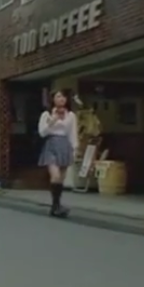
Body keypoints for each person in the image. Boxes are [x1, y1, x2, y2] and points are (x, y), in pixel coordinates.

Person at [38, 90, 78, 218]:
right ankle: (55, 206)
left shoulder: (71, 115)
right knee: (55, 175)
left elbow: (72, 133)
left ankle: (57, 205)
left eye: (63, 96)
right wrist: (52, 121)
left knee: (61, 178)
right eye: (58, 96)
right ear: (53, 99)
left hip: (65, 145)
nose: (61, 99)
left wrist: (74, 149)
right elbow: (42, 132)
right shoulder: (46, 114)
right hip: (51, 144)